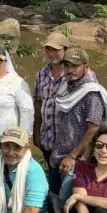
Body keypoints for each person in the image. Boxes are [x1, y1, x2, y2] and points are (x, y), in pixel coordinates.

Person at [48, 48, 107, 197]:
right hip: (60, 155)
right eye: (67, 65)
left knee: (68, 203)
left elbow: (93, 129)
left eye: (75, 66)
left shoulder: (92, 94)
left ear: (86, 66)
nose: (70, 70)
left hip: (77, 162)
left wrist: (73, 156)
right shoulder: (66, 88)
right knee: (52, 200)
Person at [33, 32, 74, 162]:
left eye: (55, 50)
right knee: (52, 176)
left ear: (66, 49)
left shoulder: (76, 74)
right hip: (48, 138)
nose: (51, 54)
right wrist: (36, 131)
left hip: (70, 142)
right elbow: (38, 102)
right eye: (48, 49)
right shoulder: (41, 74)